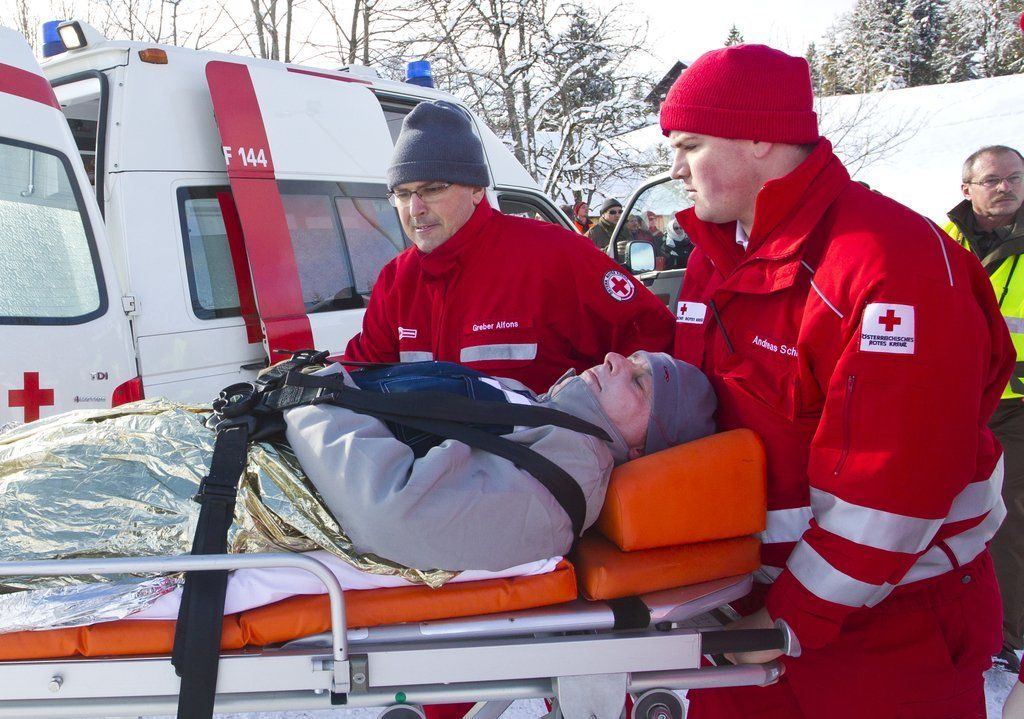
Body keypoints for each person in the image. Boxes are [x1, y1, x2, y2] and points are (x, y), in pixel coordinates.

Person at [661, 44, 1013, 717]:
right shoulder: (719, 255)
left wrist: (786, 620)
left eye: (690, 145)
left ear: (759, 137)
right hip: (747, 610)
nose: (675, 168)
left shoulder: (887, 263)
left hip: (885, 626)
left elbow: (894, 488)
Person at [341, 100, 674, 394]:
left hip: (546, 446)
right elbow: (358, 377)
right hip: (427, 448)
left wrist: (601, 427)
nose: (415, 209)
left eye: (432, 189)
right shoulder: (397, 281)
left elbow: (655, 348)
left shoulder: (554, 255)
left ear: (476, 190)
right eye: (402, 194)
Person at [284, 351, 715, 571]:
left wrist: (310, 400)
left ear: (640, 449)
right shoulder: (546, 416)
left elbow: (393, 511)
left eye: (639, 383)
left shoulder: (564, 482)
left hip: (269, 486)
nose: (614, 360)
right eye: (631, 358)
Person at [944, 144, 1024, 673]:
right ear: (967, 188)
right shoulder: (938, 238)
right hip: (955, 399)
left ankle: (1006, 633)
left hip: (1016, 405)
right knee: (944, 510)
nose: (1006, 187)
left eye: (1014, 177)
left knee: (1008, 513)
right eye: (992, 179)